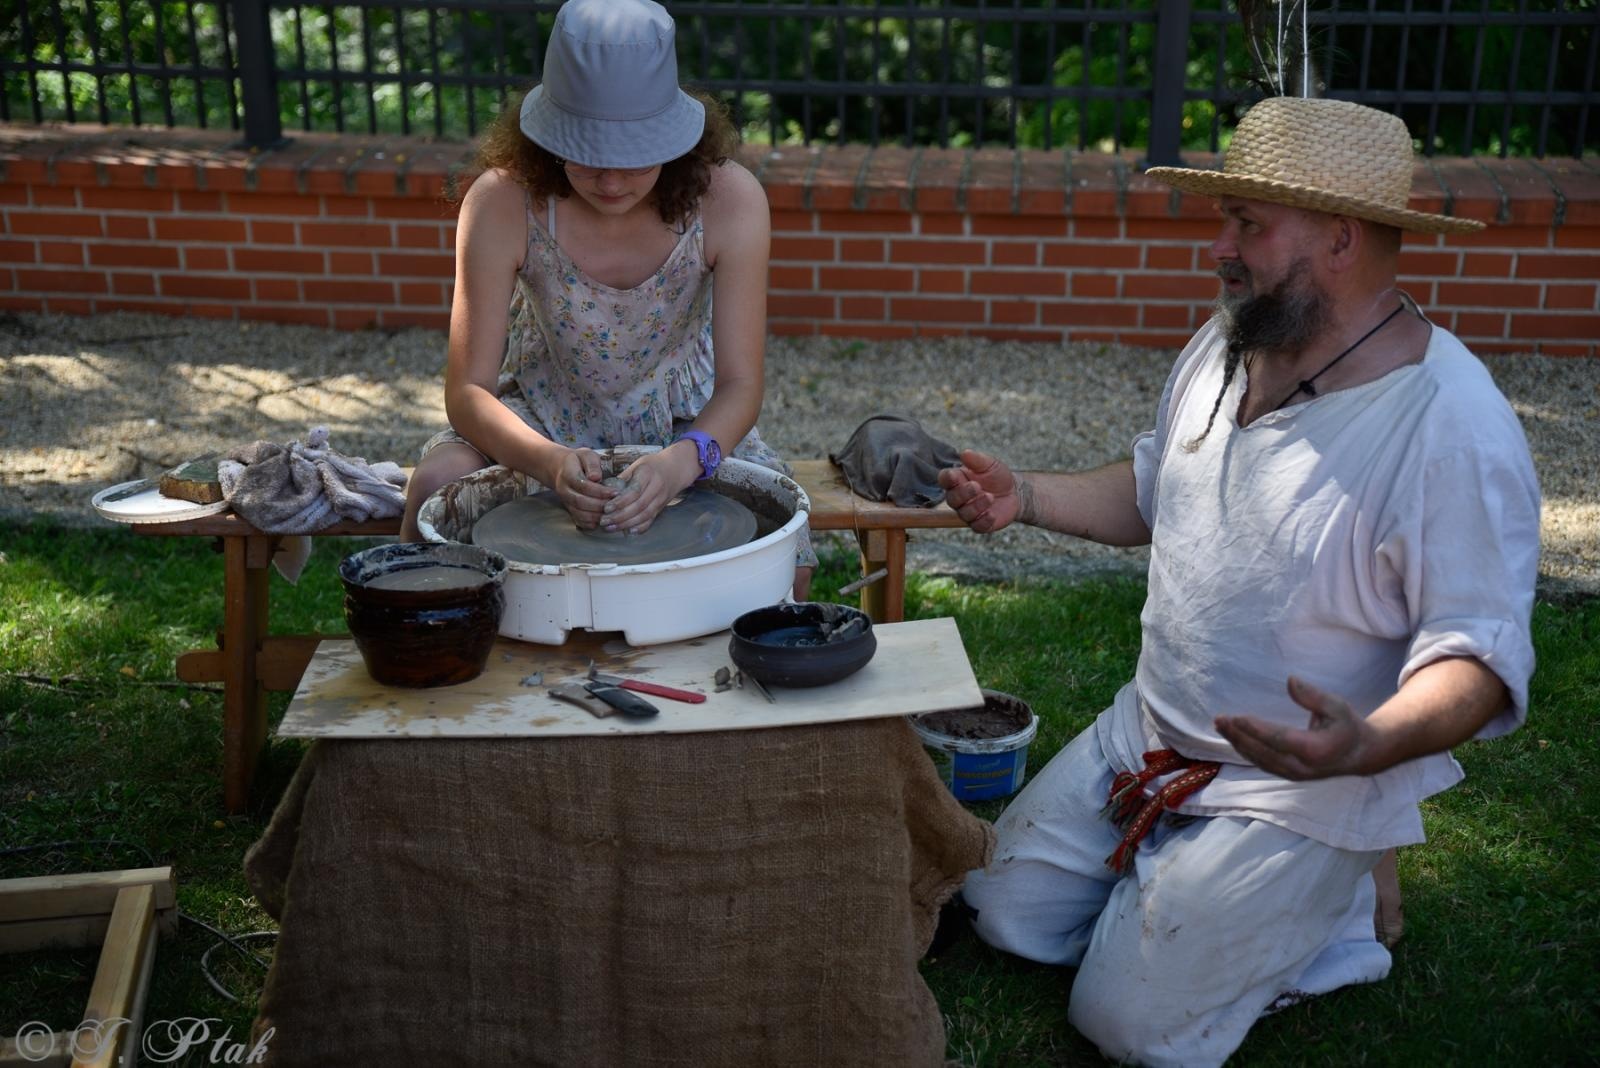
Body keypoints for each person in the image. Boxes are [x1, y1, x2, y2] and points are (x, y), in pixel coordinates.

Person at [937, 96, 1540, 1066]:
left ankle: (1332, 898)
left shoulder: (1448, 427)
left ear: (1339, 239)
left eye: (1247, 224)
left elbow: (1476, 653)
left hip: (1296, 788)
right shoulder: (1230, 345)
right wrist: (1027, 497)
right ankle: (1231, 890)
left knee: (1126, 1026)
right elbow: (1154, 488)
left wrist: (1368, 745)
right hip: (1149, 733)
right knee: (999, 911)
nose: (1220, 247)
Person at [400, 0, 814, 595]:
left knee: (787, 550)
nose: (612, 180)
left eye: (633, 155)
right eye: (588, 154)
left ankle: (751, 672)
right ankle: (444, 662)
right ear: (547, 134)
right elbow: (467, 392)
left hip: (685, 423)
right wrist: (546, 461)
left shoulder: (730, 200)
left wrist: (684, 461)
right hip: (539, 417)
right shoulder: (501, 202)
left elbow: (742, 386)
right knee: (436, 486)